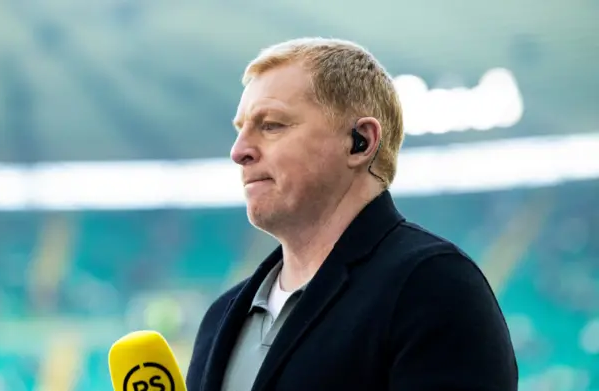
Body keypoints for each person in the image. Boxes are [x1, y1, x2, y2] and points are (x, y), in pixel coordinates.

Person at [186, 37, 518, 391]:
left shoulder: (433, 286)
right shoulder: (220, 317)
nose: (239, 151)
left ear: (359, 141)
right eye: (241, 130)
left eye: (272, 125)